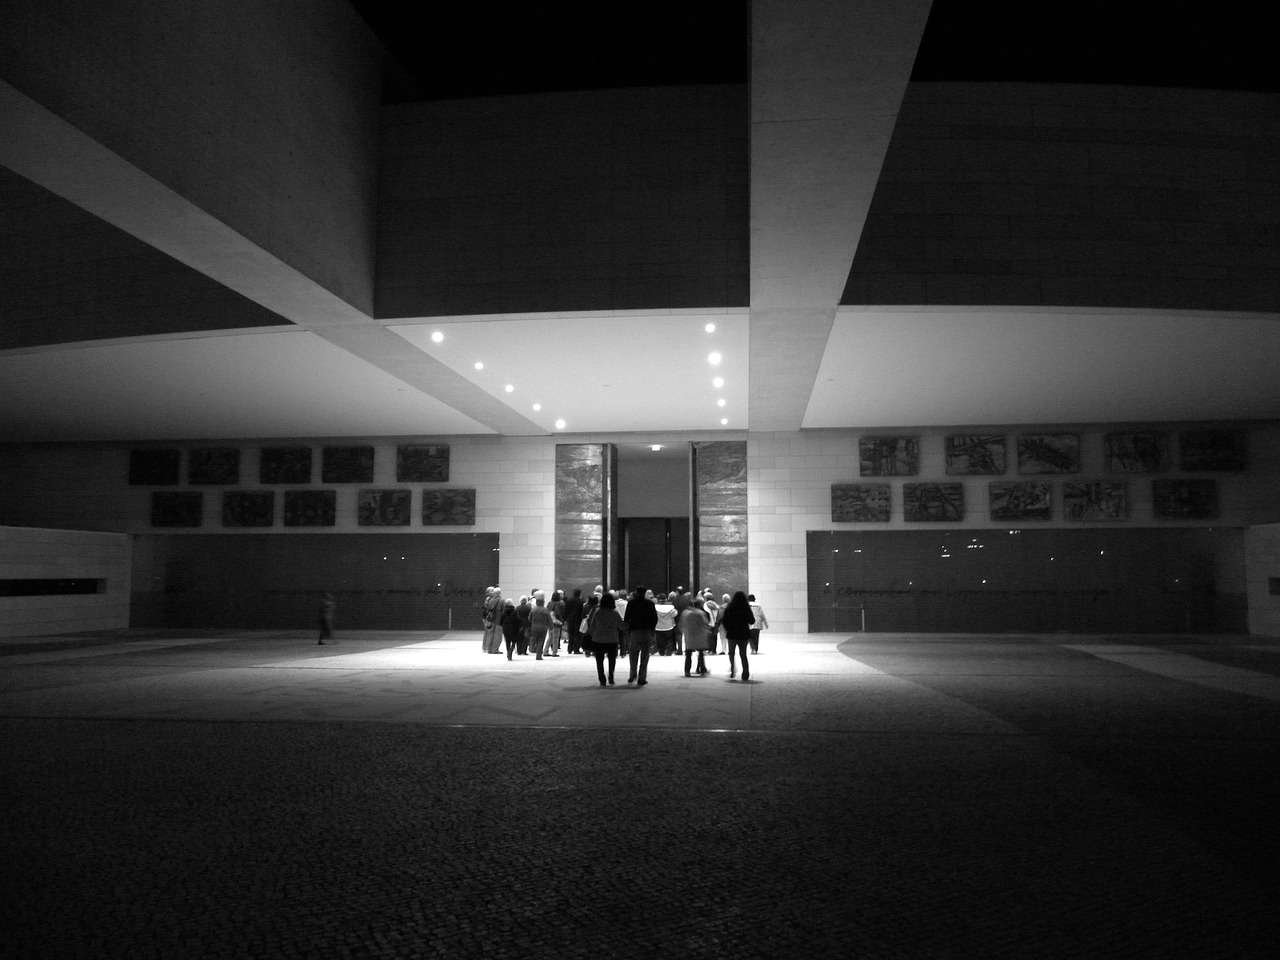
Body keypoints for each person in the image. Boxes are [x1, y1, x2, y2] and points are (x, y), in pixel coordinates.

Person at [623, 584, 657, 686]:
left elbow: (626, 618)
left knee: (633, 654)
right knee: (645, 655)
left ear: (636, 592)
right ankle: (642, 678)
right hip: (646, 631)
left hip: (634, 631)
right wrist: (652, 631)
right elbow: (654, 619)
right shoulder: (650, 604)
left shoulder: (631, 603)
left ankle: (632, 674)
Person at [589, 592, 623, 686]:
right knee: (612, 659)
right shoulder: (614, 612)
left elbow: (592, 626)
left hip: (598, 639)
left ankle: (601, 678)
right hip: (612, 639)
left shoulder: (598, 612)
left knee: (599, 660)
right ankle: (611, 676)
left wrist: (592, 635)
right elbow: (621, 625)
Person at [720, 590, 755, 681]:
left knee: (731, 652)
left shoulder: (730, 607)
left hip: (732, 634)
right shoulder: (746, 608)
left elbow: (724, 620)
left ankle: (732, 669)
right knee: (743, 654)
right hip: (743, 634)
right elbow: (752, 621)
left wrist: (728, 628)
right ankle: (745, 672)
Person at [680, 597, 711, 677]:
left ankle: (687, 671)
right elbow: (705, 623)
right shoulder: (700, 613)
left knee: (688, 653)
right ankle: (702, 669)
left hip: (689, 635)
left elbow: (681, 624)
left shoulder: (685, 613)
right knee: (700, 653)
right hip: (699, 635)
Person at [654, 591, 677, 656]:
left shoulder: (655, 607)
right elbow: (674, 614)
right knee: (669, 639)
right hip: (669, 626)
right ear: (665, 599)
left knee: (660, 640)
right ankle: (668, 651)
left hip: (658, 626)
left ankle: (661, 651)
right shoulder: (671, 607)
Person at [530, 594, 552, 660]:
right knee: (541, 641)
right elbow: (549, 619)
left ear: (536, 603)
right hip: (543, 627)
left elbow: (529, 618)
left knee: (536, 640)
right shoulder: (545, 610)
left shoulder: (533, 610)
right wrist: (551, 627)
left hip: (534, 627)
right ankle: (538, 655)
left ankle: (535, 650)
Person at [564, 588, 585, 655]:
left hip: (570, 619)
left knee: (571, 634)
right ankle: (576, 649)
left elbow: (566, 610)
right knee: (577, 635)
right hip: (578, 619)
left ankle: (570, 649)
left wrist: (565, 618)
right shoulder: (581, 601)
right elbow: (582, 611)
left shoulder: (569, 600)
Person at [481, 586, 502, 653]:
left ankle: (485, 647)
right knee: (489, 633)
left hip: (487, 617)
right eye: (492, 591)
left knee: (487, 632)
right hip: (488, 618)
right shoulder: (490, 599)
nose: (493, 592)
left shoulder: (488, 599)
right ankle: (487, 647)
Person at [546, 590, 566, 656]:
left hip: (549, 622)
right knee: (555, 638)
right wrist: (561, 620)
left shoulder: (549, 603)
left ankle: (545, 650)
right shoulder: (558, 603)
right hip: (556, 623)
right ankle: (554, 652)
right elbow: (558, 613)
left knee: (550, 637)